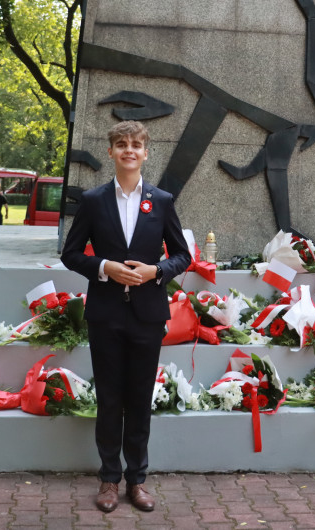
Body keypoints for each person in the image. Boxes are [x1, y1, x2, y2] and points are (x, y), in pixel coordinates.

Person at [61, 121, 191, 514]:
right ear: (112, 152)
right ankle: (108, 479)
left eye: (136, 145)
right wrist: (104, 267)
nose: (129, 151)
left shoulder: (162, 200)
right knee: (109, 398)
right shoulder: (94, 200)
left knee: (138, 398)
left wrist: (157, 272)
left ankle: (137, 480)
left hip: (147, 314)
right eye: (121, 144)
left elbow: (182, 255)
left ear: (146, 153)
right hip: (106, 314)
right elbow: (71, 253)